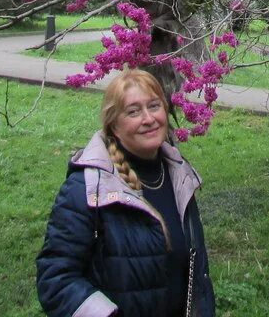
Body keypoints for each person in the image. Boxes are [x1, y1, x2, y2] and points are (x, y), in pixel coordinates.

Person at [36, 69, 216, 317]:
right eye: (133, 111)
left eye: (154, 106)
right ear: (114, 126)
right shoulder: (89, 187)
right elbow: (55, 278)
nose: (148, 118)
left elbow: (196, 272)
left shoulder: (179, 176)